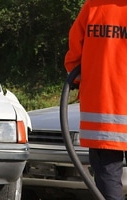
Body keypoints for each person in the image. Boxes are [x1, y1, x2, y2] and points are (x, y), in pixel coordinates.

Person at [64, 0, 127, 199]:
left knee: (108, 176)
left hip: (103, 110)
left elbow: (75, 53)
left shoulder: (93, 7)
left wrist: (81, 78)